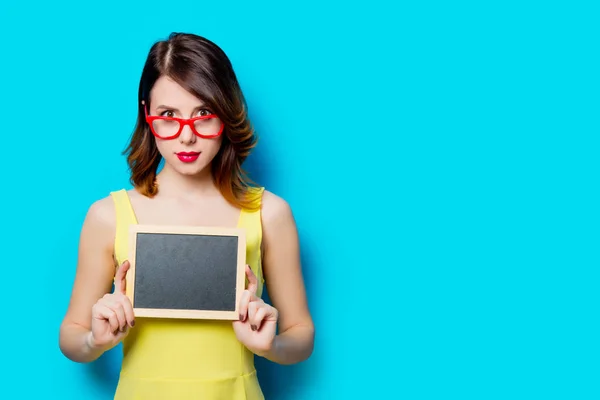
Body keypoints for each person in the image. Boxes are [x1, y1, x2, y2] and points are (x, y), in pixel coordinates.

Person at [58, 32, 315, 399]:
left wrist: (269, 346)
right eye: (168, 115)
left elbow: (301, 335)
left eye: (204, 114)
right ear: (147, 114)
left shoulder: (269, 213)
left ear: (226, 113)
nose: (187, 137)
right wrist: (94, 340)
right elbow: (71, 334)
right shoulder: (108, 216)